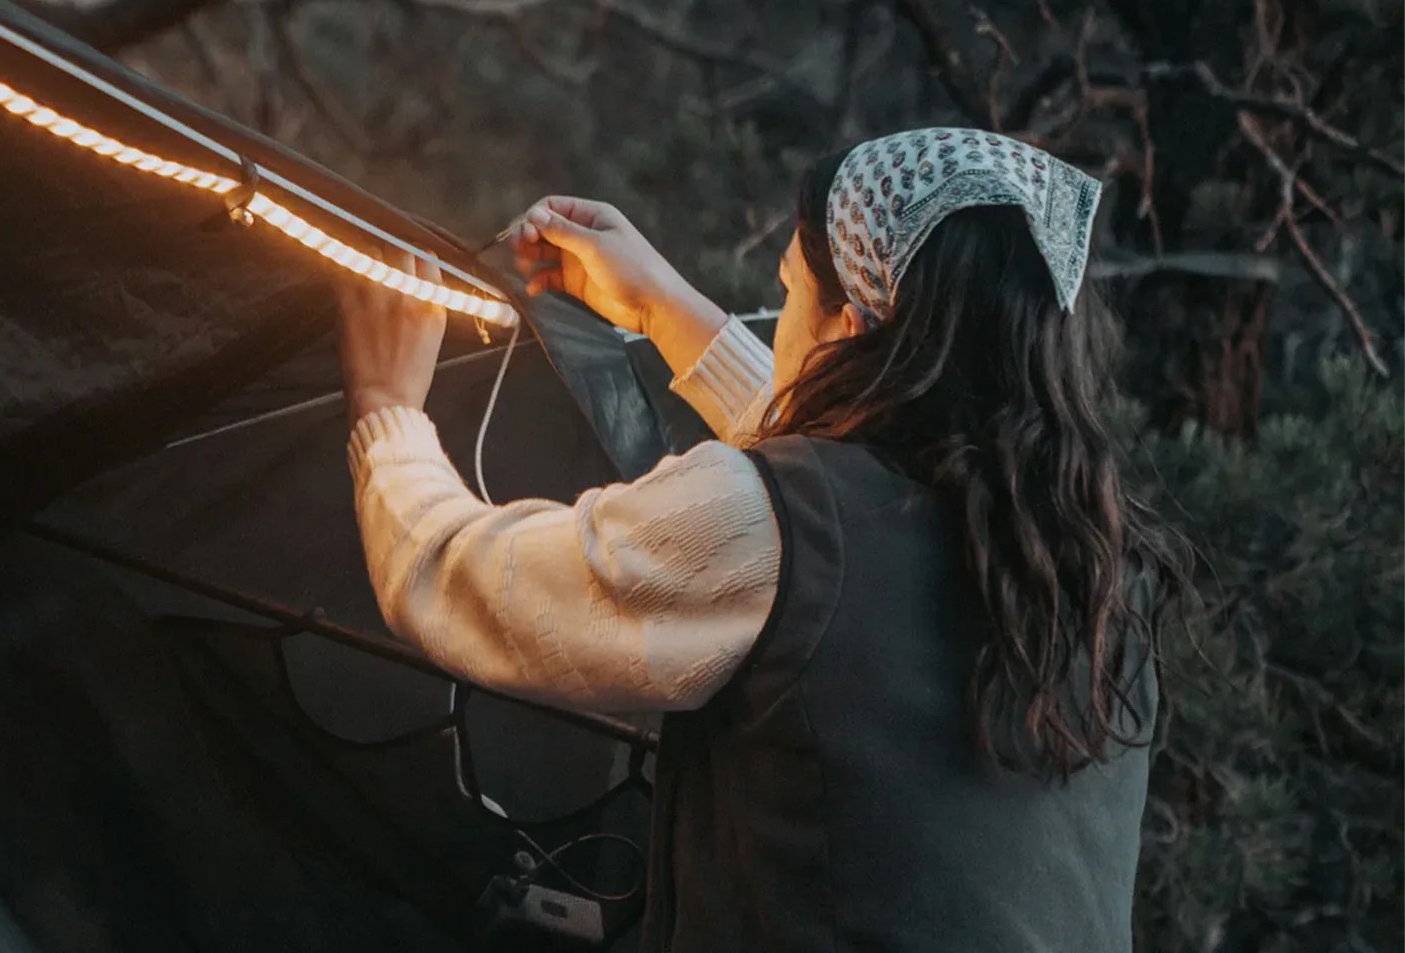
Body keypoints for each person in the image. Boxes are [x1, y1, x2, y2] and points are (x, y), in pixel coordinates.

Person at [334, 127, 1192, 951]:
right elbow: (845, 505)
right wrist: (666, 309)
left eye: (789, 293)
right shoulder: (1097, 566)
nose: (780, 319)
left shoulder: (775, 528)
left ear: (852, 326)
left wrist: (387, 408)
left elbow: (472, 584)